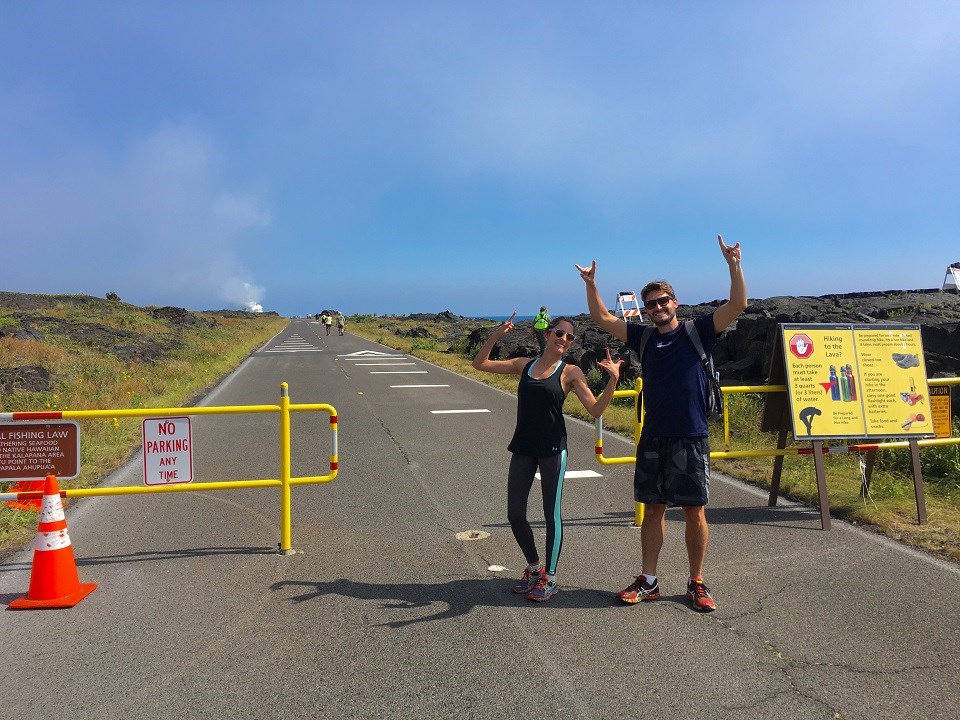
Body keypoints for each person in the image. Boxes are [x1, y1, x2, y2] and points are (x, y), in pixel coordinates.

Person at [576, 235, 747, 612]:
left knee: (693, 511)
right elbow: (602, 319)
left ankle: (696, 581)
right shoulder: (642, 337)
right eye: (651, 304)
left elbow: (737, 304)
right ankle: (648, 580)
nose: (657, 307)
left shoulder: (697, 331)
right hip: (653, 436)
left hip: (691, 435)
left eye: (663, 301)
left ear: (675, 303)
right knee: (652, 509)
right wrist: (591, 285)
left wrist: (733, 264)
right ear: (647, 309)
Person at [473, 313, 623, 602]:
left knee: (550, 514)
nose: (564, 340)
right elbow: (479, 364)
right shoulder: (523, 365)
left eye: (569, 337)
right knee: (515, 513)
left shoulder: (570, 372)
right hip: (524, 447)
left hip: (554, 449)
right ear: (548, 333)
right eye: (559, 333)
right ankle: (533, 567)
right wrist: (496, 334)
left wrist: (613, 380)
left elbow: (595, 410)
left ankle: (550, 578)